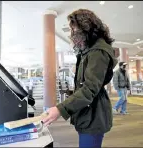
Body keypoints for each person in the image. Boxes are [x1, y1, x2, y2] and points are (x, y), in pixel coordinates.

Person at [42, 9, 118, 148]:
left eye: (74, 28)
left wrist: (60, 109)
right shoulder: (89, 50)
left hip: (94, 116)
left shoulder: (98, 51)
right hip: (88, 113)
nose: (73, 33)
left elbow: (89, 89)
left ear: (86, 26)